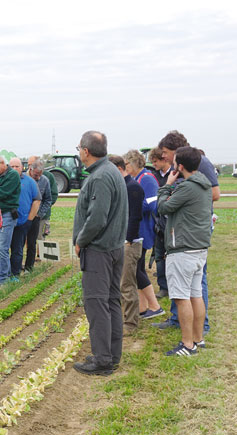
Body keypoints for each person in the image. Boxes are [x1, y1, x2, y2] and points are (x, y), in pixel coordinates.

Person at [71, 131, 128, 376]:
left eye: (79, 148)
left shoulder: (101, 177)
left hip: (100, 251)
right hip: (114, 248)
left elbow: (97, 219)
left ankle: (103, 360)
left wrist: (80, 241)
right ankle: (112, 355)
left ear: (86, 151)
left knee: (96, 303)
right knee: (112, 301)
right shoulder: (111, 171)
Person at [153, 130, 219, 334]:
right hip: (185, 232)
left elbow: (214, 194)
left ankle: (200, 327)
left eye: (165, 152)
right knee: (185, 286)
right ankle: (178, 319)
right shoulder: (186, 171)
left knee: (196, 283)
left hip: (189, 233)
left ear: (176, 152)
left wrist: (180, 198)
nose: (163, 157)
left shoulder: (201, 164)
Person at [123, 150, 164, 320]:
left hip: (144, 229)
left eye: (126, 165)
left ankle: (155, 306)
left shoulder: (146, 178)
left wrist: (134, 203)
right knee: (137, 269)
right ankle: (143, 306)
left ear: (133, 164)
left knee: (137, 270)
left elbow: (153, 203)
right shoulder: (138, 178)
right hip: (139, 227)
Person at [110, 154, 144, 335]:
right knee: (118, 283)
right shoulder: (122, 186)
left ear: (119, 168)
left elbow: (135, 216)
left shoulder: (133, 187)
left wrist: (128, 240)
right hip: (118, 242)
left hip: (129, 243)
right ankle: (122, 319)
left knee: (127, 283)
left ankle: (130, 323)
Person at [0, 154, 20, 286]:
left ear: (2, 163)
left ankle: (3, 278)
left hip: (7, 214)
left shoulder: (13, 175)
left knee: (3, 248)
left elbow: (1, 193)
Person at [9, 157, 40, 278]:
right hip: (5, 222)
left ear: (22, 167)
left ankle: (15, 274)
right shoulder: (3, 180)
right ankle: (3, 274)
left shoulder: (30, 182)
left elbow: (37, 201)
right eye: (12, 167)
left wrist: (29, 220)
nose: (15, 169)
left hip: (22, 222)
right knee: (3, 250)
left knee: (17, 249)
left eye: (17, 166)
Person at [148, 147, 171, 298]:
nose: (153, 164)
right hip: (158, 220)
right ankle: (163, 287)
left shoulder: (174, 175)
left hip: (170, 221)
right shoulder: (155, 176)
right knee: (158, 254)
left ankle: (172, 286)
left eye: (155, 161)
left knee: (169, 256)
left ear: (164, 159)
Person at [24, 158, 51, 272]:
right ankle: (16, 267)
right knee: (19, 243)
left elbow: (48, 199)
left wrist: (39, 214)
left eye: (40, 175)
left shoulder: (45, 181)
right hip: (23, 216)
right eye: (36, 175)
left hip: (35, 218)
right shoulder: (22, 179)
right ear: (30, 169)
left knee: (32, 243)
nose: (38, 177)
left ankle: (29, 268)